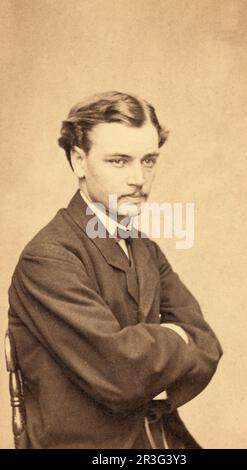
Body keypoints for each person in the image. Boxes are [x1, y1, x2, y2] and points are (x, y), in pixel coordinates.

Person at [8, 91, 222, 449]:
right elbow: (121, 375)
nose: (139, 178)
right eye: (119, 161)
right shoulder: (48, 258)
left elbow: (207, 344)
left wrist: (150, 352)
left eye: (149, 160)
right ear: (79, 161)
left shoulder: (144, 248)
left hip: (157, 442)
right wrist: (176, 338)